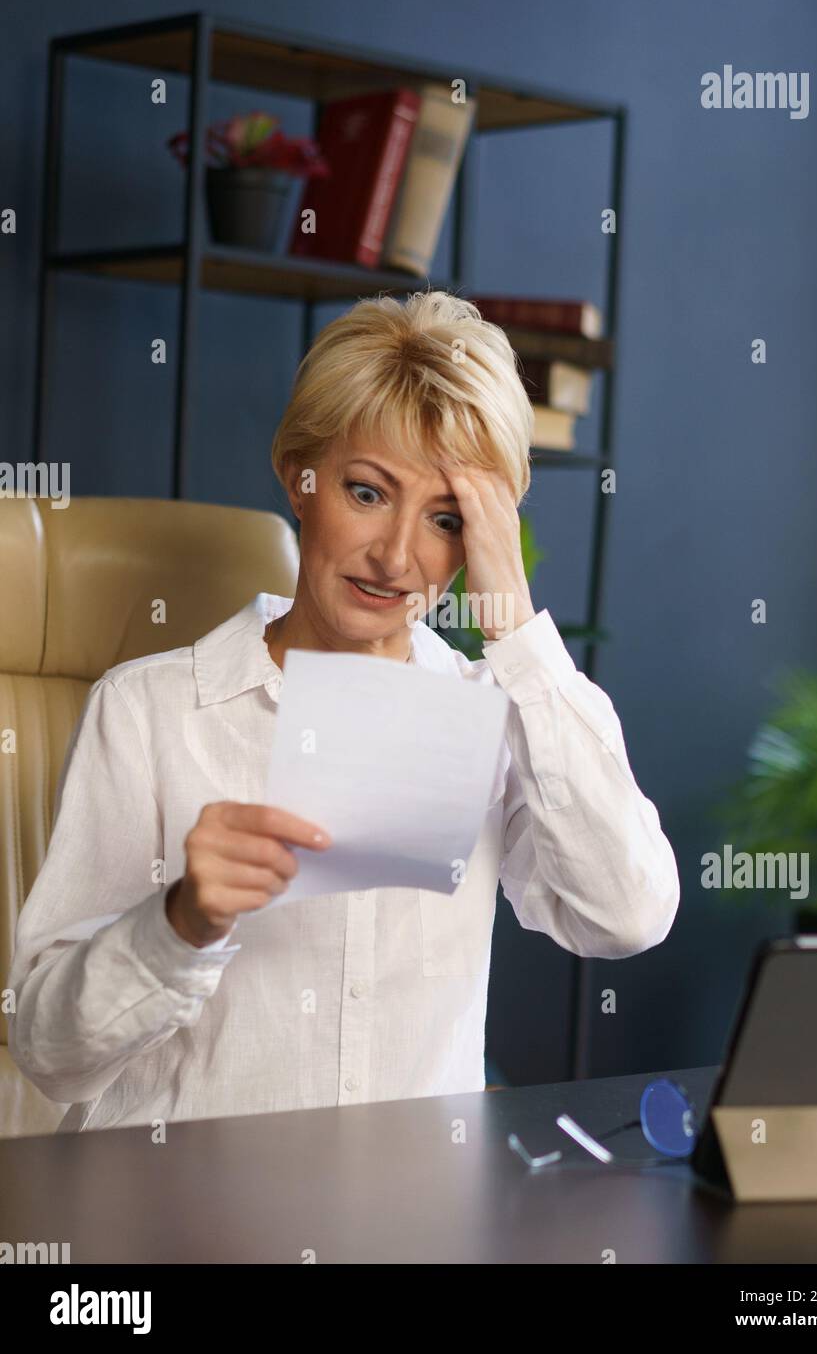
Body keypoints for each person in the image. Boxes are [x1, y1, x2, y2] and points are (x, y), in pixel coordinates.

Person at [8, 290, 680, 1133]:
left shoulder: (498, 717)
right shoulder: (147, 713)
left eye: (445, 519)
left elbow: (626, 914)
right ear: (302, 477)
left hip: (410, 1229)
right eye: (366, 493)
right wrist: (179, 923)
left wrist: (512, 627)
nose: (397, 557)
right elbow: (48, 1052)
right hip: (183, 1225)